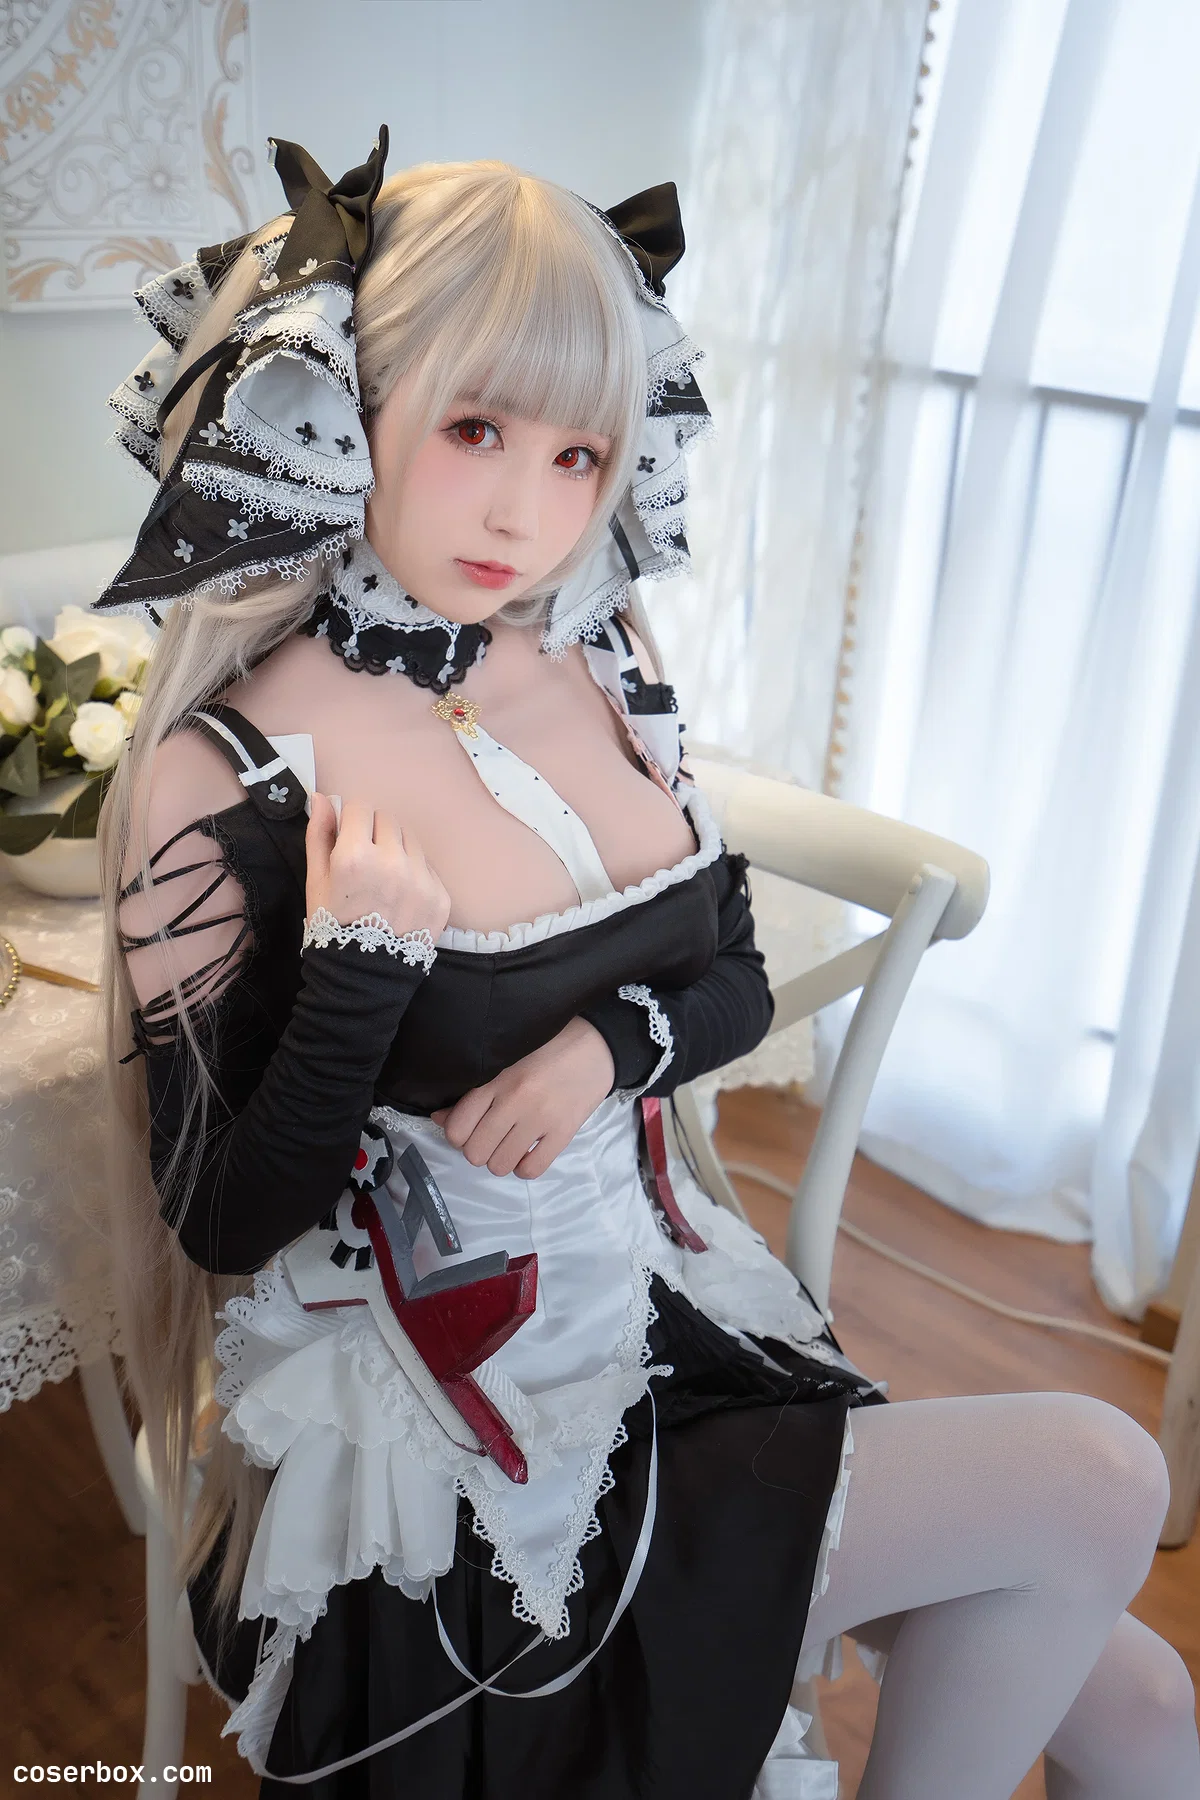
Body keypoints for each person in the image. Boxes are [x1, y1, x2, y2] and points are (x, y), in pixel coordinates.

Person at [98, 131, 1199, 1800]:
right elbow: (224, 1221)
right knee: (1100, 1480)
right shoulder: (221, 773)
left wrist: (610, 1048)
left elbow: (733, 973)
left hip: (686, 1328)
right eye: (474, 429)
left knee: (1149, 1705)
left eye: (579, 455)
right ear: (341, 404)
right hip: (472, 1463)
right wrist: (363, 970)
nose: (525, 512)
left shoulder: (606, 649)